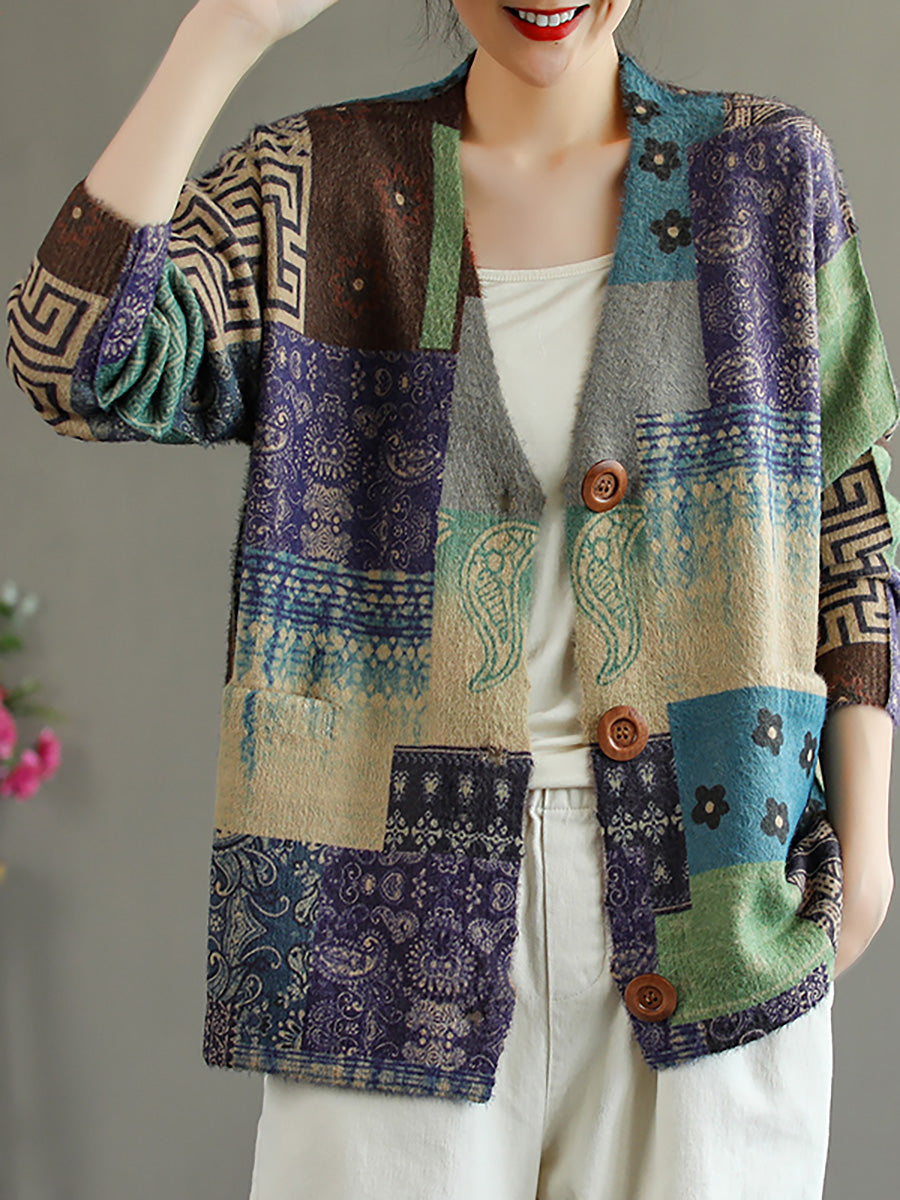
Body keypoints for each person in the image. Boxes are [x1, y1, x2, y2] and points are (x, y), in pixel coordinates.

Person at [5, 1, 898, 1197]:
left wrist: (867, 855)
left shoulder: (764, 174)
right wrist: (227, 28)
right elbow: (71, 360)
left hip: (716, 893)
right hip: (379, 916)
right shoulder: (317, 188)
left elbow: (856, 507)